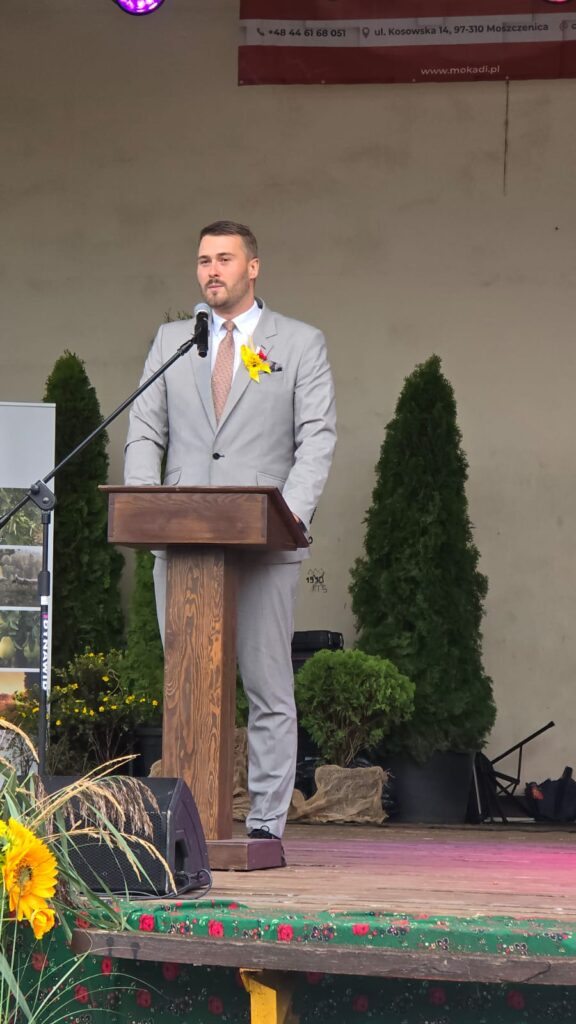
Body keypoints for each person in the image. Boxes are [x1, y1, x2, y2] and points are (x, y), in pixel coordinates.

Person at [124, 220, 336, 840]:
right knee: (187, 685)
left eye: (224, 259)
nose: (211, 270)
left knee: (267, 686)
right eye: (203, 261)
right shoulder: (174, 340)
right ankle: (186, 822)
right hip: (182, 543)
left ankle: (266, 822)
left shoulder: (299, 342)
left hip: (265, 543)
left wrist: (289, 516)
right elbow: (146, 430)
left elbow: (316, 438)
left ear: (253, 267)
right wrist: (145, 505)